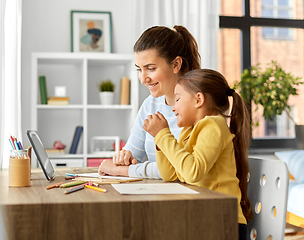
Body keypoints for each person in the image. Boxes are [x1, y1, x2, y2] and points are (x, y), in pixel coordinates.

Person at [142, 69, 252, 240]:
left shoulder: (213, 125)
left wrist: (163, 135)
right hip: (204, 216)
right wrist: (160, 141)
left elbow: (192, 172)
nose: (173, 107)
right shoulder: (189, 130)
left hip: (223, 220)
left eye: (178, 99)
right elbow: (170, 174)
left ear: (198, 100)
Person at [98, 25, 201, 178]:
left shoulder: (199, 105)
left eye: (151, 68)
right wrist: (124, 159)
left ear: (176, 65)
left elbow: (183, 169)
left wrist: (121, 171)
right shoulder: (151, 105)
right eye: (139, 69)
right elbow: (132, 156)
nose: (143, 78)